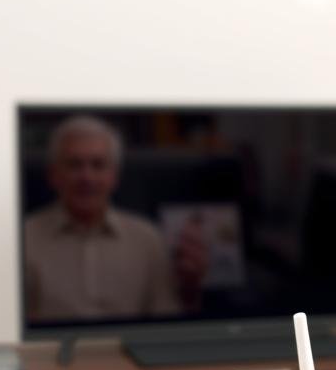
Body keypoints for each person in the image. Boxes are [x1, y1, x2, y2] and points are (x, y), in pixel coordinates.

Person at [24, 115, 206, 322]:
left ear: (114, 176)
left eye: (98, 165)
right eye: (75, 165)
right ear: (53, 175)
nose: (87, 177)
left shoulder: (147, 239)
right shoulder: (24, 238)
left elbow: (165, 323)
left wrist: (190, 288)